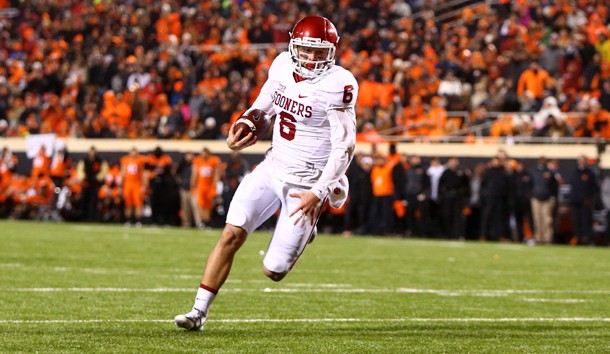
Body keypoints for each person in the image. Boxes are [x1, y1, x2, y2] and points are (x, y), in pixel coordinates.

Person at [174, 15, 358, 331]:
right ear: (293, 45)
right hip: (273, 167)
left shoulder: (338, 84)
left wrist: (318, 192)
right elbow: (264, 105)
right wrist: (244, 123)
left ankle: (322, 204)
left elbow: (345, 147)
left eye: (319, 52)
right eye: (305, 49)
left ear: (332, 52)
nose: (311, 58)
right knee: (230, 234)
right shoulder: (282, 65)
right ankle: (197, 312)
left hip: (306, 184)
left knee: (273, 271)